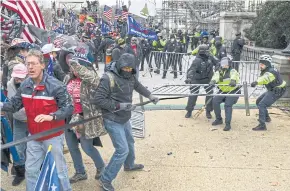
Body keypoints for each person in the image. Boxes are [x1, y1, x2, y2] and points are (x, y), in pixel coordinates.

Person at [0, 49, 73, 191]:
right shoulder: (25, 85)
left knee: (59, 172)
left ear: (43, 65)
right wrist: (1, 105)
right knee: (31, 171)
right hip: (33, 136)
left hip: (53, 136)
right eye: (28, 64)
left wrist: (51, 116)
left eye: (34, 64)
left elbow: (69, 108)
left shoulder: (56, 85)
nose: (30, 67)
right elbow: (14, 104)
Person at [91, 53, 159, 191]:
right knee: (122, 150)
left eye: (130, 68)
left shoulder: (131, 76)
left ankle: (129, 165)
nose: (128, 70)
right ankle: (105, 179)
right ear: (120, 65)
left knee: (130, 142)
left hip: (125, 117)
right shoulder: (108, 78)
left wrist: (150, 95)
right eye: (125, 68)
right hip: (112, 119)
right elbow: (98, 99)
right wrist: (118, 105)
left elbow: (138, 86)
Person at [64, 53, 106, 183]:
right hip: (69, 117)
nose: (73, 69)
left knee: (87, 147)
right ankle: (80, 172)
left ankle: (101, 167)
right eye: (71, 66)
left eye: (76, 66)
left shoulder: (90, 79)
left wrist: (77, 65)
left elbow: (95, 80)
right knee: (72, 147)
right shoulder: (68, 78)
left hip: (84, 118)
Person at [251, 55, 286, 131]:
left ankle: (262, 125)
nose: (260, 65)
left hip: (278, 90)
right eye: (260, 64)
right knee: (258, 101)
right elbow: (263, 77)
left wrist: (256, 82)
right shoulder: (268, 69)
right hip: (273, 89)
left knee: (262, 104)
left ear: (267, 64)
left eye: (262, 64)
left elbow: (265, 78)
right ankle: (267, 118)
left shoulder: (271, 71)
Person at [7, 63, 28, 186]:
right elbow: (11, 102)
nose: (18, 79)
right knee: (18, 146)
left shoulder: (32, 83)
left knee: (35, 146)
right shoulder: (10, 85)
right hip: (18, 120)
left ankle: (38, 167)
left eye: (21, 77)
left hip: (33, 120)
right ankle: (20, 172)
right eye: (16, 77)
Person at [184, 44, 218, 119]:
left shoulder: (211, 57)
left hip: (208, 78)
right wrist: (189, 78)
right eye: (207, 51)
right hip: (197, 79)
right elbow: (192, 70)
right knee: (193, 94)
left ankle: (208, 111)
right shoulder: (197, 60)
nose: (208, 52)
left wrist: (218, 70)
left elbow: (217, 63)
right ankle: (189, 111)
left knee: (210, 94)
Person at [209, 56, 240, 131]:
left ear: (229, 64)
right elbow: (216, 76)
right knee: (215, 101)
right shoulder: (219, 71)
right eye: (223, 64)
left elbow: (234, 75)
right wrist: (213, 81)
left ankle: (228, 124)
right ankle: (219, 119)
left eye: (226, 64)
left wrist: (233, 80)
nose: (224, 65)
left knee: (228, 105)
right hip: (223, 91)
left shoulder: (232, 71)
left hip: (233, 91)